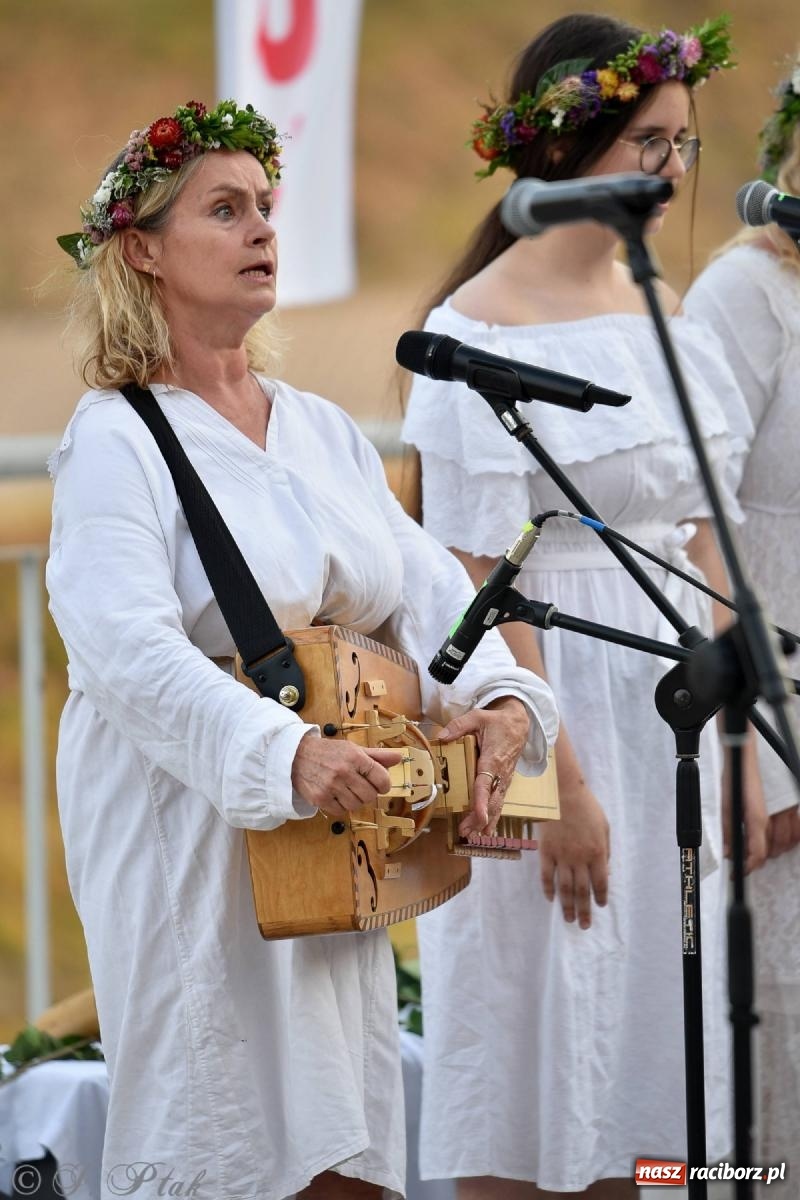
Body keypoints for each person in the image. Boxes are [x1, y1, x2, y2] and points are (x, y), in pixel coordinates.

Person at [46, 99, 558, 1200]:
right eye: (223, 210)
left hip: (337, 837)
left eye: (265, 207)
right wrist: (283, 757)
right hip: (192, 832)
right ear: (141, 248)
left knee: (341, 1146)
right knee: (217, 1137)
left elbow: (434, 602)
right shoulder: (114, 437)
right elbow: (123, 645)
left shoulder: (320, 427)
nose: (261, 230)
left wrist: (510, 703)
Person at [401, 14, 768, 1198]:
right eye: (641, 143)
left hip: (672, 704)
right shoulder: (471, 335)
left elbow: (709, 537)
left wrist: (743, 747)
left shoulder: (666, 313)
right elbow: (467, 569)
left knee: (662, 1079)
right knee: (533, 1060)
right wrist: (543, 781)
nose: (666, 172)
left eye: (679, 144)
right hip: (545, 702)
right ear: (561, 154)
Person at [685, 54, 800, 1197]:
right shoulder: (744, 294)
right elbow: (695, 524)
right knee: (777, 1056)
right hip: (775, 726)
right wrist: (757, 759)